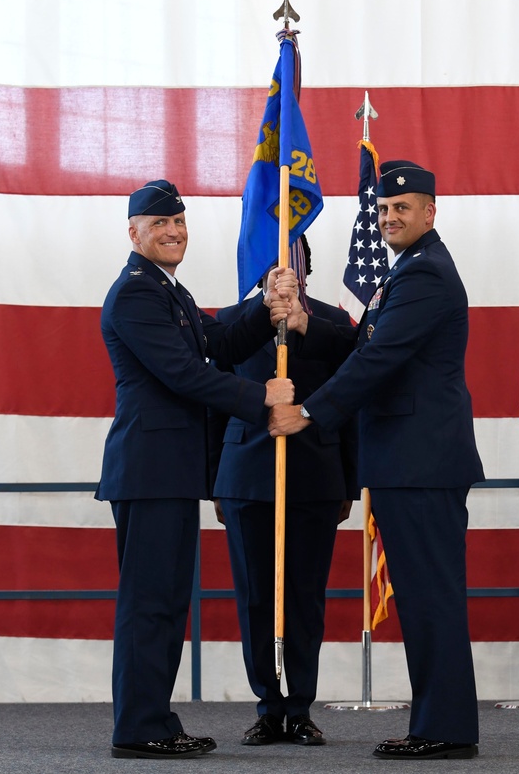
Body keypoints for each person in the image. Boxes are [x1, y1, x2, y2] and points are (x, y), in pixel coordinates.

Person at [269, 160, 484, 760]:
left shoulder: (426, 276)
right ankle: (439, 722)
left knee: (431, 595)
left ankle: (444, 728)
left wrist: (307, 414)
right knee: (421, 595)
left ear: (430, 212)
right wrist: (307, 323)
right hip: (404, 462)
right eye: (383, 210)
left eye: (402, 208)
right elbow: (367, 343)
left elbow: (377, 361)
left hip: (421, 463)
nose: (389, 217)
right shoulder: (407, 272)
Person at [95, 179, 296, 759]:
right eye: (159, 224)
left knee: (165, 602)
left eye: (179, 222)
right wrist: (263, 397)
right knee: (149, 602)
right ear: (133, 233)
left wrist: (265, 309)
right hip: (150, 469)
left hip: (170, 470)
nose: (173, 232)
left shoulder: (168, 292)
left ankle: (153, 718)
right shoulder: (136, 293)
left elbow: (218, 342)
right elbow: (185, 374)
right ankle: (139, 728)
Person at [212, 235, 358, 747]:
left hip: (317, 476)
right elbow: (213, 404)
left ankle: (300, 708)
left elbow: (354, 399)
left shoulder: (336, 324)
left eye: (290, 264)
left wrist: (350, 481)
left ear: (306, 269)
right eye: (271, 265)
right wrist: (216, 483)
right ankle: (268, 708)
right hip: (246, 478)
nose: (280, 274)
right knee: (256, 596)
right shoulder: (229, 323)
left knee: (304, 596)